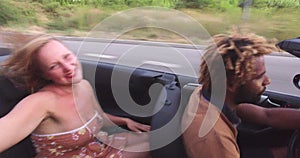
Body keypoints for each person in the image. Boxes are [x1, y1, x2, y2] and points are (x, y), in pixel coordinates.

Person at [0, 34, 151, 157]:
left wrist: (124, 120)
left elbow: (97, 117)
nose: (68, 67)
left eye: (67, 57)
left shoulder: (83, 85)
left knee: (157, 139)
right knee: (156, 148)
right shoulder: (43, 102)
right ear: (44, 74)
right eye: (54, 66)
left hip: (97, 147)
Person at [181, 32, 278, 158]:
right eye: (258, 77)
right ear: (231, 84)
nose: (267, 81)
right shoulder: (214, 138)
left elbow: (265, 115)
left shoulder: (203, 94)